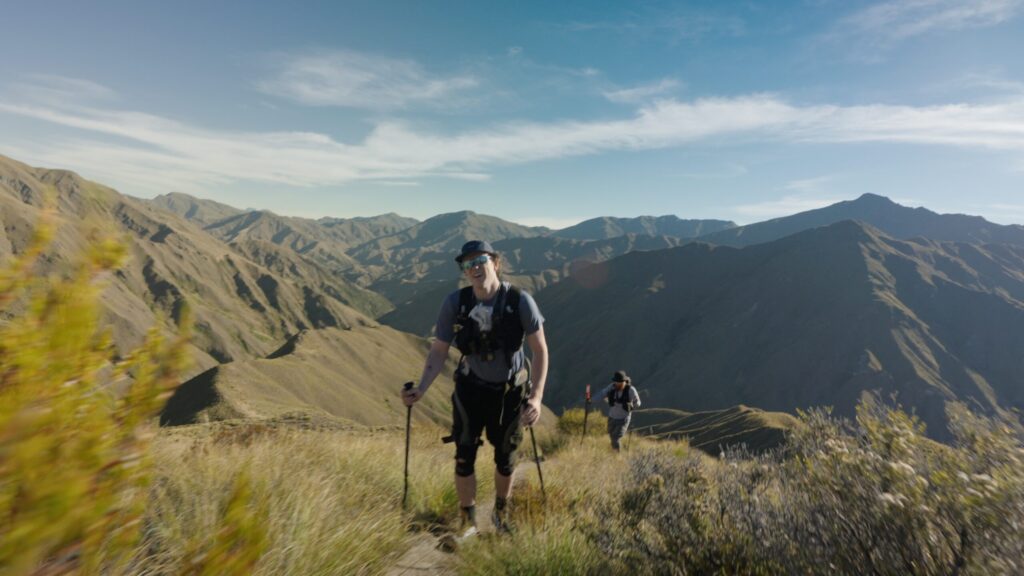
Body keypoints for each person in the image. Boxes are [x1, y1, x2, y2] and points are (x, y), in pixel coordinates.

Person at [402, 240, 548, 536]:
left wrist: (536, 398)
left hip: (509, 392)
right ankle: (468, 521)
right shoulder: (456, 303)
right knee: (464, 455)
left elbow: (541, 351)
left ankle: (500, 513)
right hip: (470, 390)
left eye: (480, 260)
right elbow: (439, 351)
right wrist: (421, 388)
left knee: (506, 460)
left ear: (495, 262)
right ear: (464, 271)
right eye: (468, 264)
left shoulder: (520, 301)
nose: (475, 268)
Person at [598, 370, 640, 451]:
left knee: (615, 438)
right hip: (612, 417)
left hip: (623, 418)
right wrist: (591, 400)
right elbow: (602, 394)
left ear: (624, 381)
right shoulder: (612, 387)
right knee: (611, 436)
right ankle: (618, 450)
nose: (617, 383)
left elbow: (638, 402)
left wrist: (632, 407)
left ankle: (617, 456)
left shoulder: (631, 390)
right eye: (616, 381)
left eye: (619, 382)